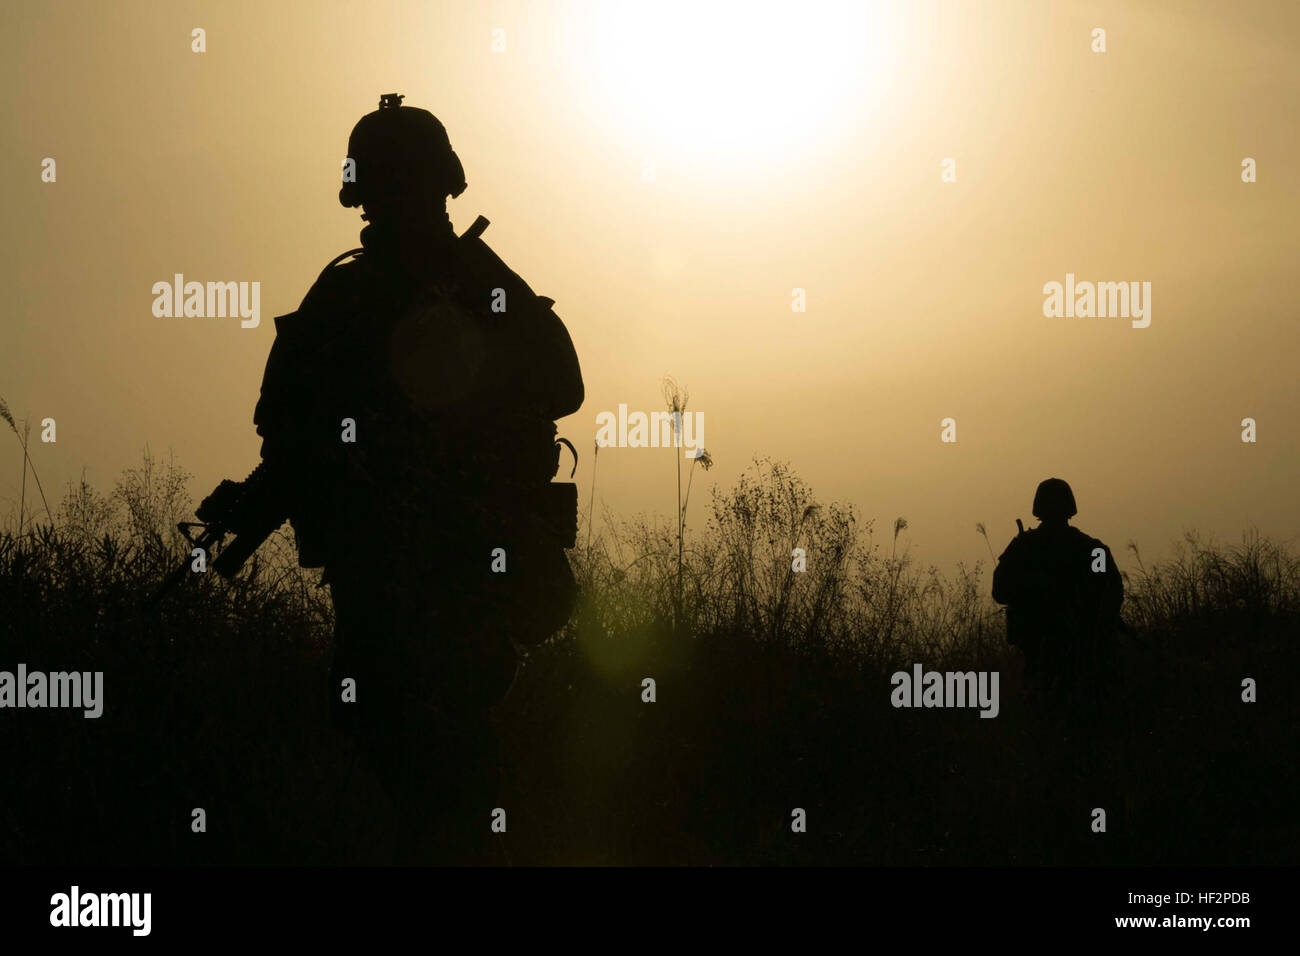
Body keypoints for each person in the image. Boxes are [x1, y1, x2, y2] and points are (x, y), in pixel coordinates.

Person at [251, 93, 584, 863]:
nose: (388, 208)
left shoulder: (478, 286)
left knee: (447, 741)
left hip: (470, 561)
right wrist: (275, 485)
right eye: (384, 192)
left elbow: (562, 383)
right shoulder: (348, 297)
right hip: (382, 566)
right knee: (388, 722)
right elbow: (288, 423)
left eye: (402, 190)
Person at [992, 478, 1123, 701]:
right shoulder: (1092, 549)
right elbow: (1111, 593)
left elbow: (1000, 591)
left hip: (1060, 648)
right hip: (1068, 649)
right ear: (1070, 507)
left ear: (1037, 508)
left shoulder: (1024, 548)